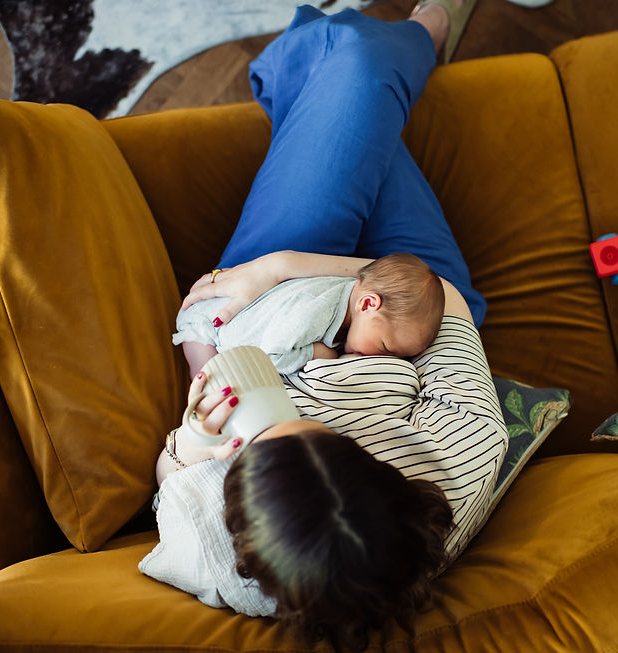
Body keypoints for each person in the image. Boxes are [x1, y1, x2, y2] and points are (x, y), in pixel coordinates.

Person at [140, 1, 504, 650]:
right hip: (417, 312)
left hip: (267, 318)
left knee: (354, 75)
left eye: (270, 439)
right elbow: (439, 299)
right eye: (321, 422)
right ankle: (404, 39)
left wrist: (196, 437)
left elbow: (172, 484)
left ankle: (309, 56)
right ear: (370, 458)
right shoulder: (461, 455)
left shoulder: (211, 549)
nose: (312, 392)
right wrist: (285, 267)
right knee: (361, 77)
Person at [174, 252, 445, 377]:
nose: (383, 361)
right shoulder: (313, 313)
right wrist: (317, 354)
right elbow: (263, 357)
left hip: (249, 315)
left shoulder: (355, 305)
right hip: (207, 321)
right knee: (209, 384)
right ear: (367, 304)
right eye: (386, 348)